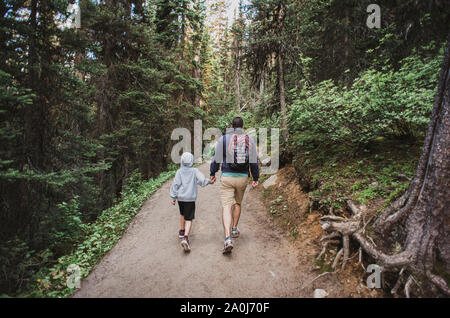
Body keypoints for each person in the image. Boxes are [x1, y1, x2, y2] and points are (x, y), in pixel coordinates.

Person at [210, 117, 259, 254]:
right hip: (243, 177)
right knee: (237, 203)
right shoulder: (250, 140)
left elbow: (216, 157)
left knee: (226, 206)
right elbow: (254, 161)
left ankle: (227, 238)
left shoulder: (224, 139)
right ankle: (235, 228)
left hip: (227, 177)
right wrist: (255, 177)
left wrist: (212, 172)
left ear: (232, 126)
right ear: (243, 126)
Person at [170, 152, 212, 252]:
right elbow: (201, 180)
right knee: (189, 218)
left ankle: (181, 231)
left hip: (180, 198)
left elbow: (175, 184)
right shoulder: (194, 171)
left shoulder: (179, 172)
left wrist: (173, 197)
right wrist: (209, 181)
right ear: (192, 161)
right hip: (190, 198)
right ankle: (185, 238)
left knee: (182, 214)